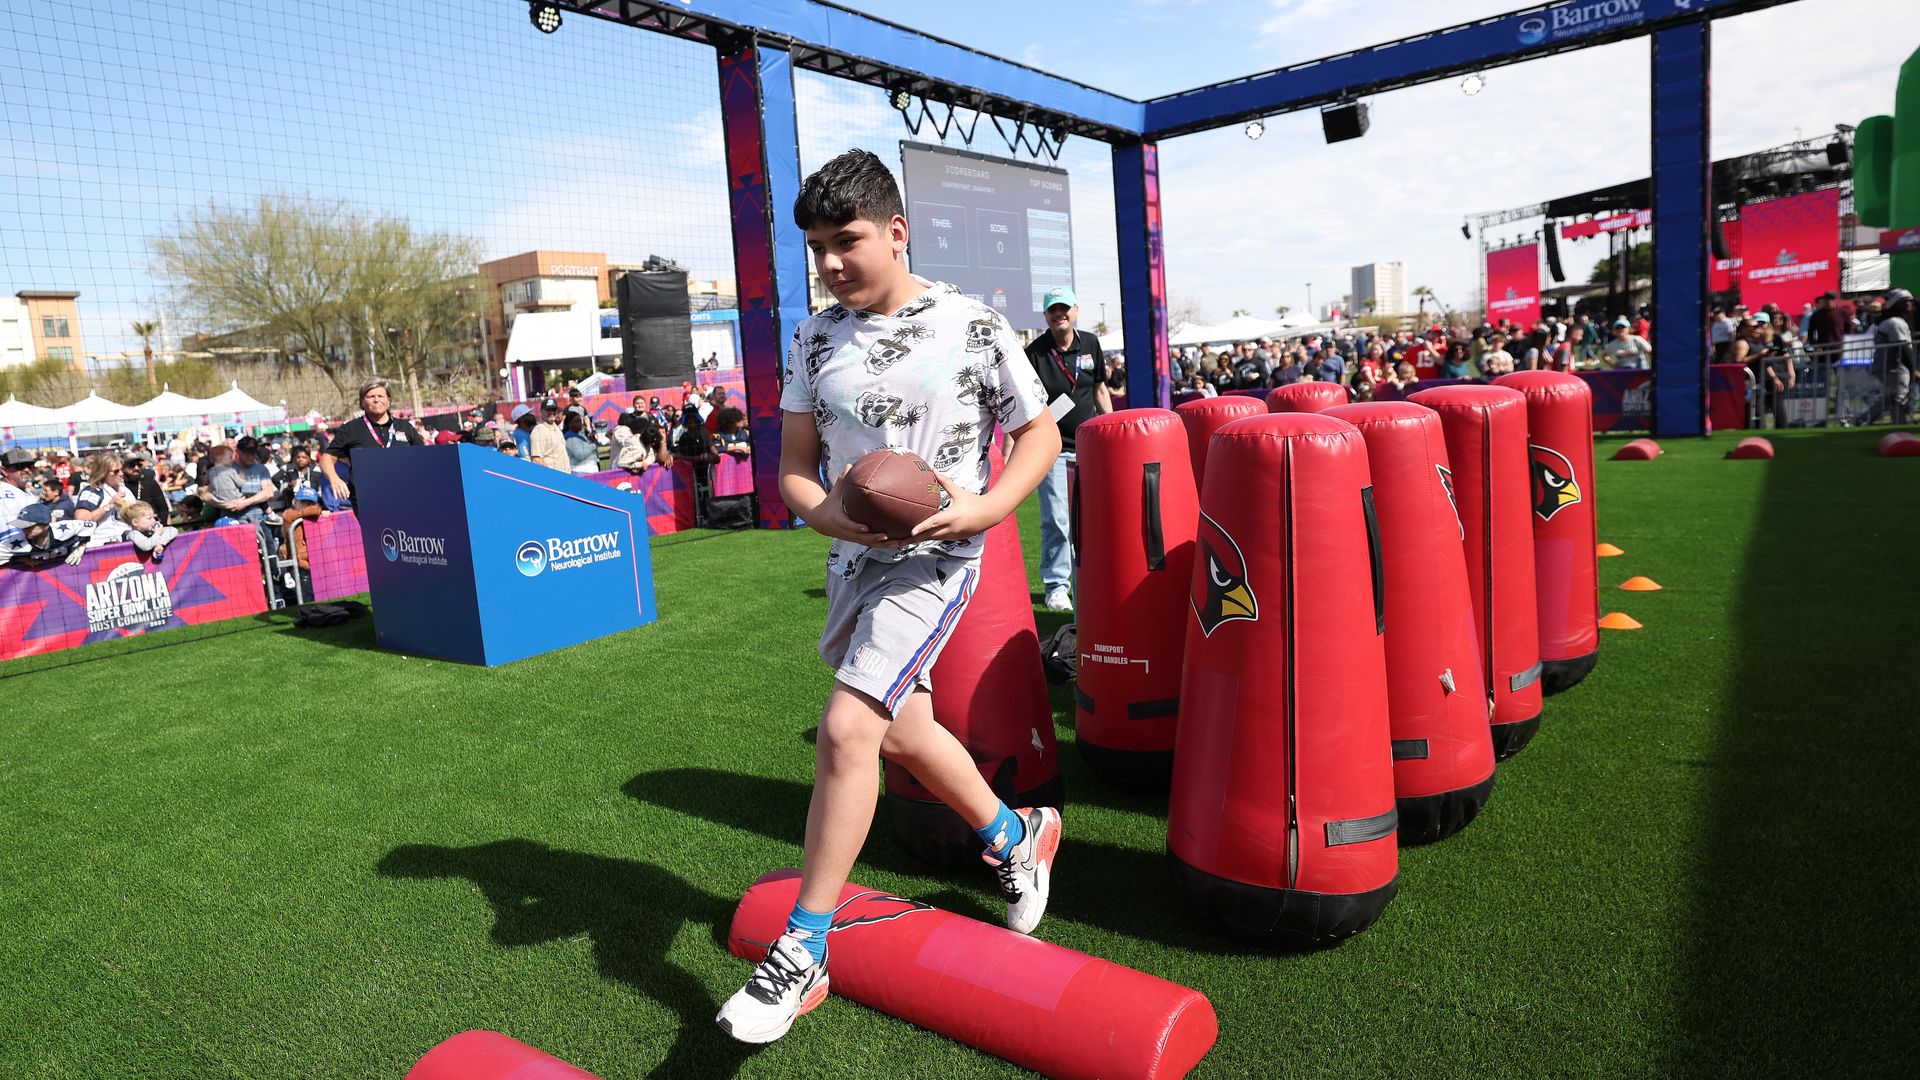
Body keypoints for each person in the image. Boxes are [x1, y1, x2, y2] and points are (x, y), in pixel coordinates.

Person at [717, 148, 1063, 1045]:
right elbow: (795, 473)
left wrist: (982, 510)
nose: (831, 264)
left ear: (897, 231)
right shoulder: (812, 338)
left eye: (848, 241)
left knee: (846, 728)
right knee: (904, 730)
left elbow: (1038, 439)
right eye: (818, 249)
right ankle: (1014, 837)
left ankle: (804, 946)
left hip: (939, 559)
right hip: (852, 562)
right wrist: (832, 520)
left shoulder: (973, 324)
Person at [1022, 284, 1109, 612]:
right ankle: (1057, 585)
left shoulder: (1091, 343)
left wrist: (1111, 432)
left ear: (1075, 310)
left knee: (1093, 519)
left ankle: (1090, 579)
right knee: (1057, 519)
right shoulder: (1035, 352)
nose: (1060, 314)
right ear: (1046, 315)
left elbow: (1099, 390)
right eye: (1053, 309)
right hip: (1052, 450)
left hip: (1090, 448)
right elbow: (1027, 405)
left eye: (1064, 308)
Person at [320, 380, 422, 503]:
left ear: (388, 400)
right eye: (371, 396)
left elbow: (424, 457)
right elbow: (327, 457)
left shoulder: (405, 427)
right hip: (368, 499)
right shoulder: (350, 429)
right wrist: (334, 478)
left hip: (406, 494)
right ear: (362, 401)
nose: (376, 400)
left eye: (380, 396)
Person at [208, 436, 277, 525]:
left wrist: (245, 503)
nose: (251, 456)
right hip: (230, 521)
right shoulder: (225, 468)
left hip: (256, 520)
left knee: (268, 539)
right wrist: (224, 504)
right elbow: (206, 495)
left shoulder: (261, 469)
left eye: (253, 453)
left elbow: (268, 493)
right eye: (247, 453)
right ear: (238, 451)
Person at [3, 502, 96, 567]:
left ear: (45, 525)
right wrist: (21, 559)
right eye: (22, 526)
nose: (25, 530)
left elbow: (92, 525)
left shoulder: (65, 529)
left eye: (30, 526)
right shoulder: (14, 543)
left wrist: (81, 546)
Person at [1871, 288, 1914, 424]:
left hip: (1888, 366)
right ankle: (1900, 425)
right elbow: (1901, 347)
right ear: (1895, 304)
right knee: (1899, 397)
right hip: (1893, 367)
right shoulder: (1895, 322)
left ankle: (1858, 420)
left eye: (1910, 302)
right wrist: (1913, 370)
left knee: (1889, 397)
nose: (1909, 305)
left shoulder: (1894, 321)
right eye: (1905, 302)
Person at [72, 452, 134, 542]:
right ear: (103, 472)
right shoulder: (93, 491)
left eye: (122, 469)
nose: (121, 473)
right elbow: (81, 519)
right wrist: (110, 505)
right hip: (102, 543)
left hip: (127, 540)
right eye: (116, 471)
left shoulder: (125, 490)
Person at [529, 399, 569, 473]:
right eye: (548, 410)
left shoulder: (556, 427)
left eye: (554, 409)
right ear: (541, 411)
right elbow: (536, 460)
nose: (551, 412)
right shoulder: (539, 430)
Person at [0, 448, 34, 529]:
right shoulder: (3, 496)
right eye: (20, 466)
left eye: (30, 465)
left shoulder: (24, 490)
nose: (27, 470)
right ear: (4, 471)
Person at [562, 411, 600, 475]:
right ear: (569, 424)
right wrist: (593, 445)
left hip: (590, 470)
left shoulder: (581, 435)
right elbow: (580, 455)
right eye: (576, 422)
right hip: (580, 471)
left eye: (580, 421)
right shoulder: (570, 439)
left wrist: (592, 441)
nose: (580, 423)